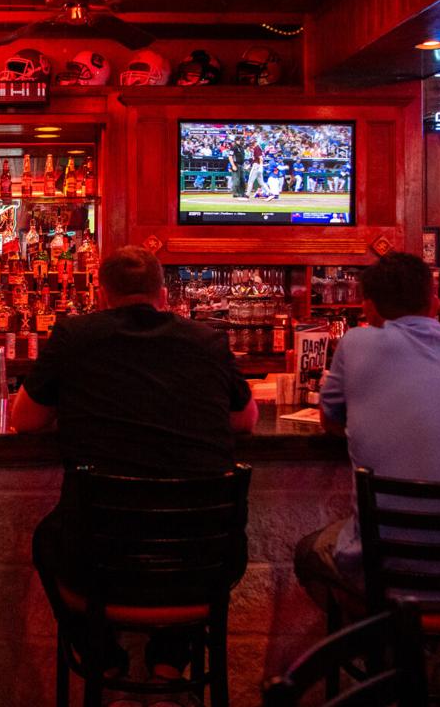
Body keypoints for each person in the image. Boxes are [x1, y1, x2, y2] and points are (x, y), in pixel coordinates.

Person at [13, 246, 257, 683]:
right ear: (163, 295)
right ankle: (170, 659)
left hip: (100, 559)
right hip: (204, 559)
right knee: (197, 546)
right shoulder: (207, 340)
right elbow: (246, 419)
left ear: (102, 295)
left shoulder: (73, 336)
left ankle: (103, 660)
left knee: (49, 540)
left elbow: (25, 419)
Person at [293, 252, 440, 687]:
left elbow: (331, 420)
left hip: (393, 575)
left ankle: (407, 674)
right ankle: (436, 671)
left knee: (308, 553)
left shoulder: (357, 343)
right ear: (435, 301)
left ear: (368, 306)